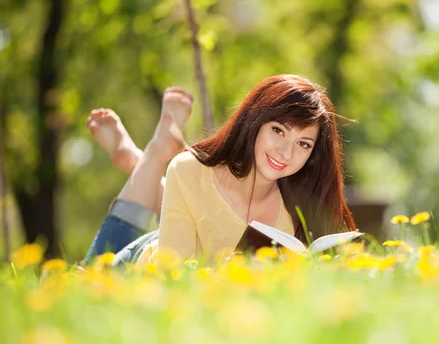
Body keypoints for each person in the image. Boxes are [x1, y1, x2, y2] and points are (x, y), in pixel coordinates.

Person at [83, 74, 356, 266]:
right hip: (143, 266)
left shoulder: (298, 213)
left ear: (313, 155)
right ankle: (153, 156)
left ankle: (137, 162)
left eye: (303, 144)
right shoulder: (189, 169)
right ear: (254, 121)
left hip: (193, 223)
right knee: (86, 282)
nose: (286, 153)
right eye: (278, 130)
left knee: (188, 194)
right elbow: (173, 276)